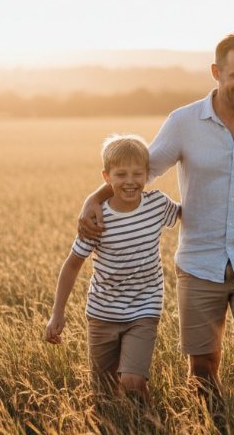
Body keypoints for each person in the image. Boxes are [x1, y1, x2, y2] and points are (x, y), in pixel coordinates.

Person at [78, 33, 234, 399]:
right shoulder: (183, 122)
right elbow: (140, 172)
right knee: (202, 368)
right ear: (216, 71)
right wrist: (94, 198)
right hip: (200, 262)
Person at [46, 134, 180, 401]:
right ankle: (114, 434)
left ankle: (146, 433)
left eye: (137, 174)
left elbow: (192, 214)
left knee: (132, 381)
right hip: (102, 313)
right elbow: (72, 265)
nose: (130, 181)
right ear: (106, 177)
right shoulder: (97, 218)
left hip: (144, 309)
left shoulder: (157, 205)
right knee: (103, 392)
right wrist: (57, 313)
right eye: (121, 174)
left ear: (147, 175)